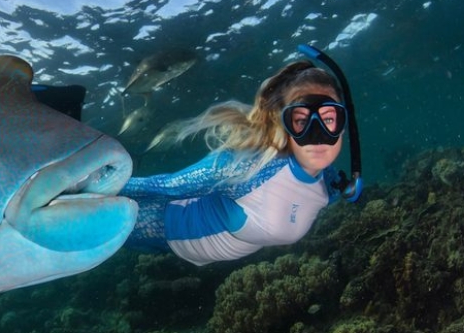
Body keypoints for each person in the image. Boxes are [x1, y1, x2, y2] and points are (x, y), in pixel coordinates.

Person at [121, 55, 360, 265]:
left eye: (329, 119)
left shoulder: (329, 183)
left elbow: (319, 191)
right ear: (284, 125)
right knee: (86, 232)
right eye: (301, 120)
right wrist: (88, 186)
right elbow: (163, 186)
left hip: (187, 250)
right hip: (158, 223)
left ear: (344, 124)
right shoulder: (251, 169)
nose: (317, 135)